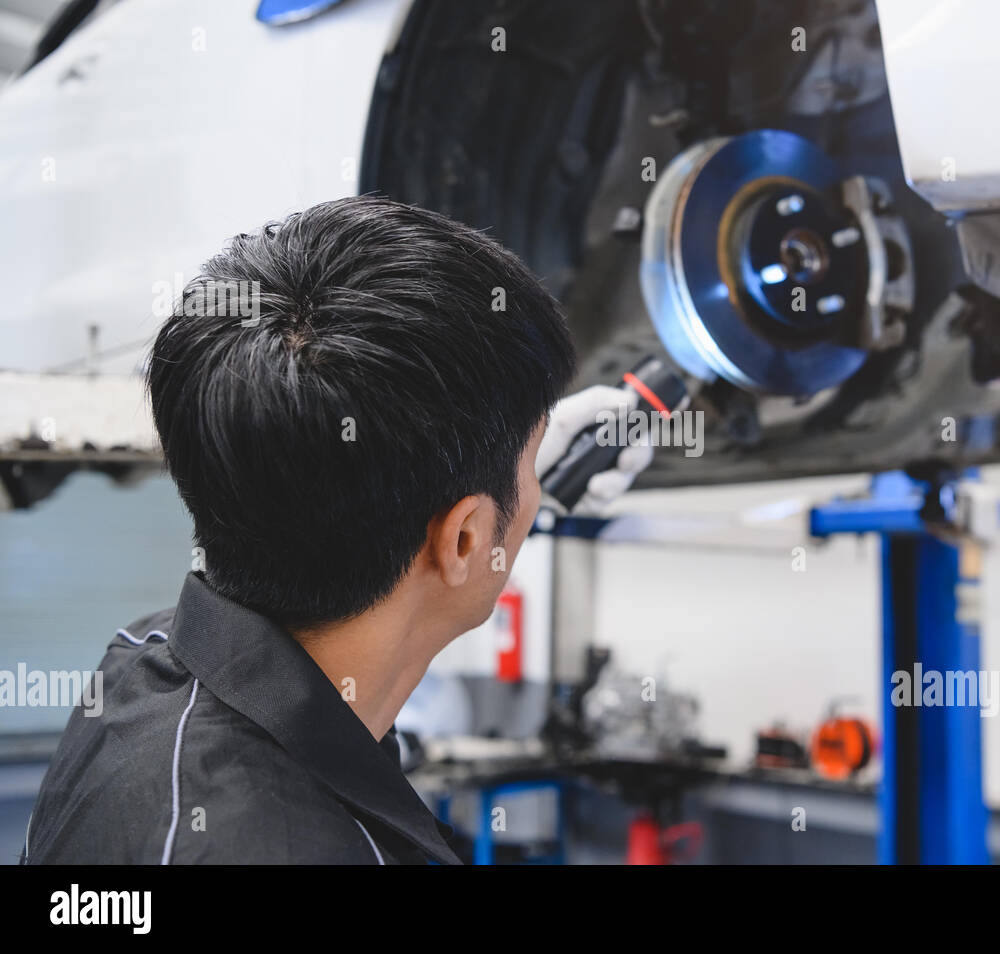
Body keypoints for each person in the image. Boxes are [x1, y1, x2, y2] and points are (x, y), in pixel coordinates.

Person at [21, 196, 649, 864]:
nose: (537, 488)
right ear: (461, 541)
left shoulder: (141, 663)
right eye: (532, 466)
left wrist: (494, 480)